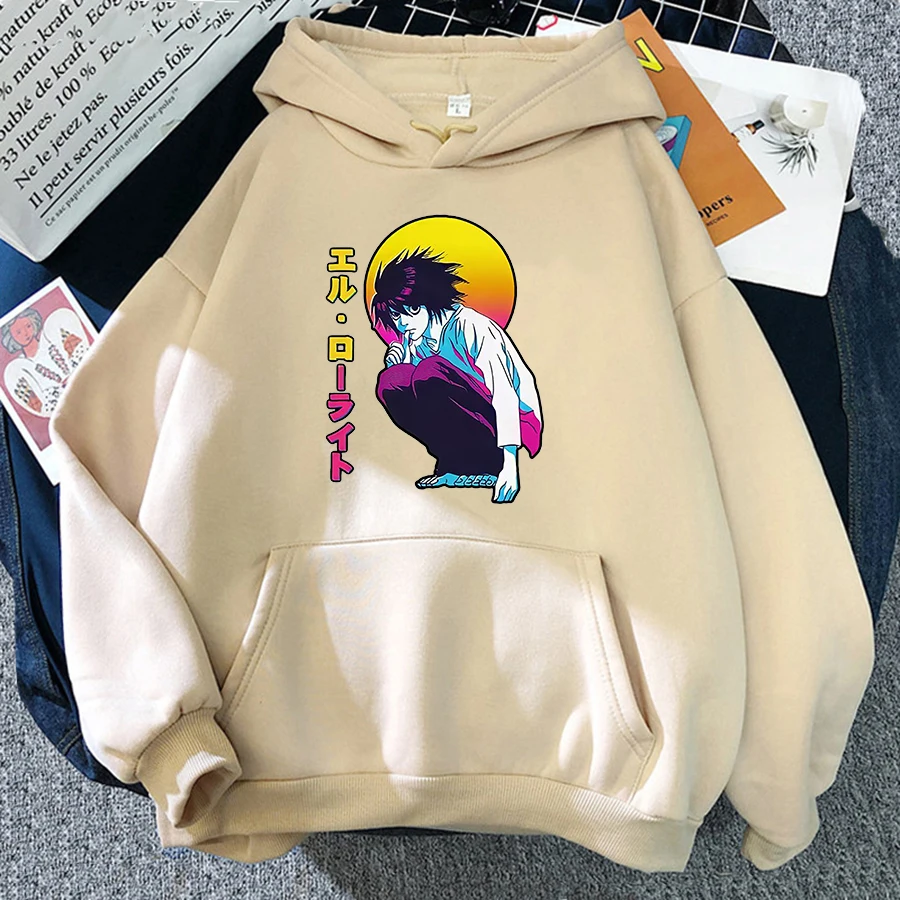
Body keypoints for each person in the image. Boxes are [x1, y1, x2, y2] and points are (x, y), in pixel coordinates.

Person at [371, 247, 542, 504]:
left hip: (514, 420)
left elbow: (504, 392)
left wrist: (510, 466)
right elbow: (419, 401)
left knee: (430, 372)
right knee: (392, 381)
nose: (403, 323)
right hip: (472, 417)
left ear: (430, 300)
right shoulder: (415, 340)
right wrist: (398, 364)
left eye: (411, 310)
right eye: (396, 316)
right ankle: (453, 463)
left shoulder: (472, 326)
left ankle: (492, 463)